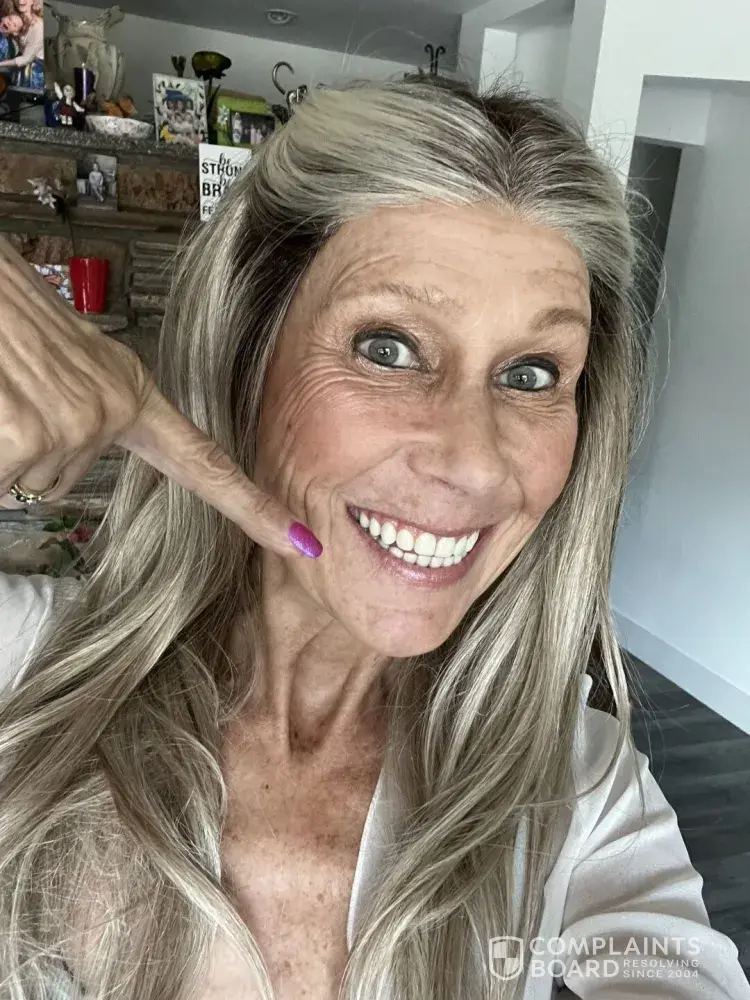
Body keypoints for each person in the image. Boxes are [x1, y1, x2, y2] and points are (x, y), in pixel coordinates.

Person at [0, 78, 748, 1000]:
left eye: (530, 374)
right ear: (246, 354)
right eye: (387, 347)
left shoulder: (578, 787)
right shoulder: (21, 671)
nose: (473, 463)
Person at [0, 0, 43, 91]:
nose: (20, 1)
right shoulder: (13, 11)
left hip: (36, 61)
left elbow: (26, 59)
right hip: (18, 52)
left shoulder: (38, 26)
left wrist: (1, 64)